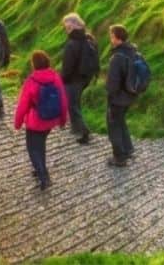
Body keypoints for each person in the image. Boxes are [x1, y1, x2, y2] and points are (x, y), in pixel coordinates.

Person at [12, 49, 69, 190]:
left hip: (35, 122)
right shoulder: (55, 77)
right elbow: (63, 99)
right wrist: (63, 119)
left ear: (34, 64)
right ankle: (40, 169)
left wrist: (18, 123)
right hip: (50, 120)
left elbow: (23, 105)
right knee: (41, 145)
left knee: (33, 149)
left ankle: (44, 176)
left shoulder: (31, 81)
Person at [104, 24, 144, 167]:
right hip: (131, 95)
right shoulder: (134, 51)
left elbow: (112, 82)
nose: (110, 39)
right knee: (121, 121)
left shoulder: (117, 57)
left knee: (113, 125)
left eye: (111, 36)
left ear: (117, 38)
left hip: (118, 98)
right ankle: (128, 149)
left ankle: (119, 158)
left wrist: (109, 94)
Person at [58, 13, 100, 144]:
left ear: (75, 25)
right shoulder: (88, 38)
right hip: (85, 78)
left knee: (73, 106)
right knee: (75, 103)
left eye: (68, 25)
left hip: (73, 80)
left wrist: (62, 79)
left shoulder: (72, 43)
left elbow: (68, 66)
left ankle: (84, 131)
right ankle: (76, 128)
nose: (66, 27)